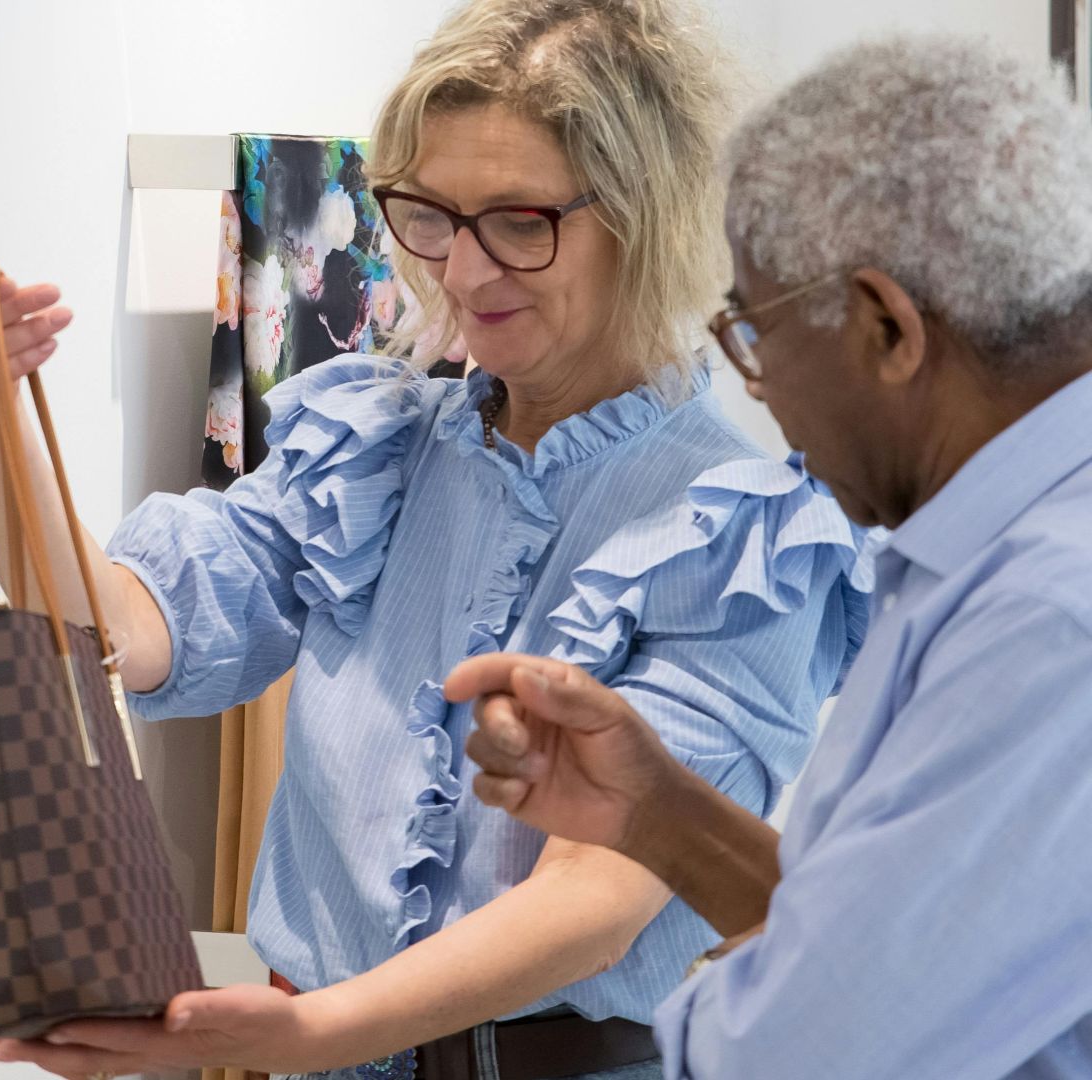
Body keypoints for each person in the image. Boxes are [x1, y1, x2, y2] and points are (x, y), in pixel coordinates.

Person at [0, 2, 868, 1077]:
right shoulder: (373, 443)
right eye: (429, 215)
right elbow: (117, 628)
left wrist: (318, 1028)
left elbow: (595, 898)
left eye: (518, 221)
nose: (461, 274)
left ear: (648, 216)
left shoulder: (744, 525)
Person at [452, 35, 1092, 1078]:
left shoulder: (1052, 619)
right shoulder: (991, 559)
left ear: (886, 327)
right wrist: (659, 813)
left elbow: (803, 1049)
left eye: (753, 331)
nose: (757, 388)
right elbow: (886, 952)